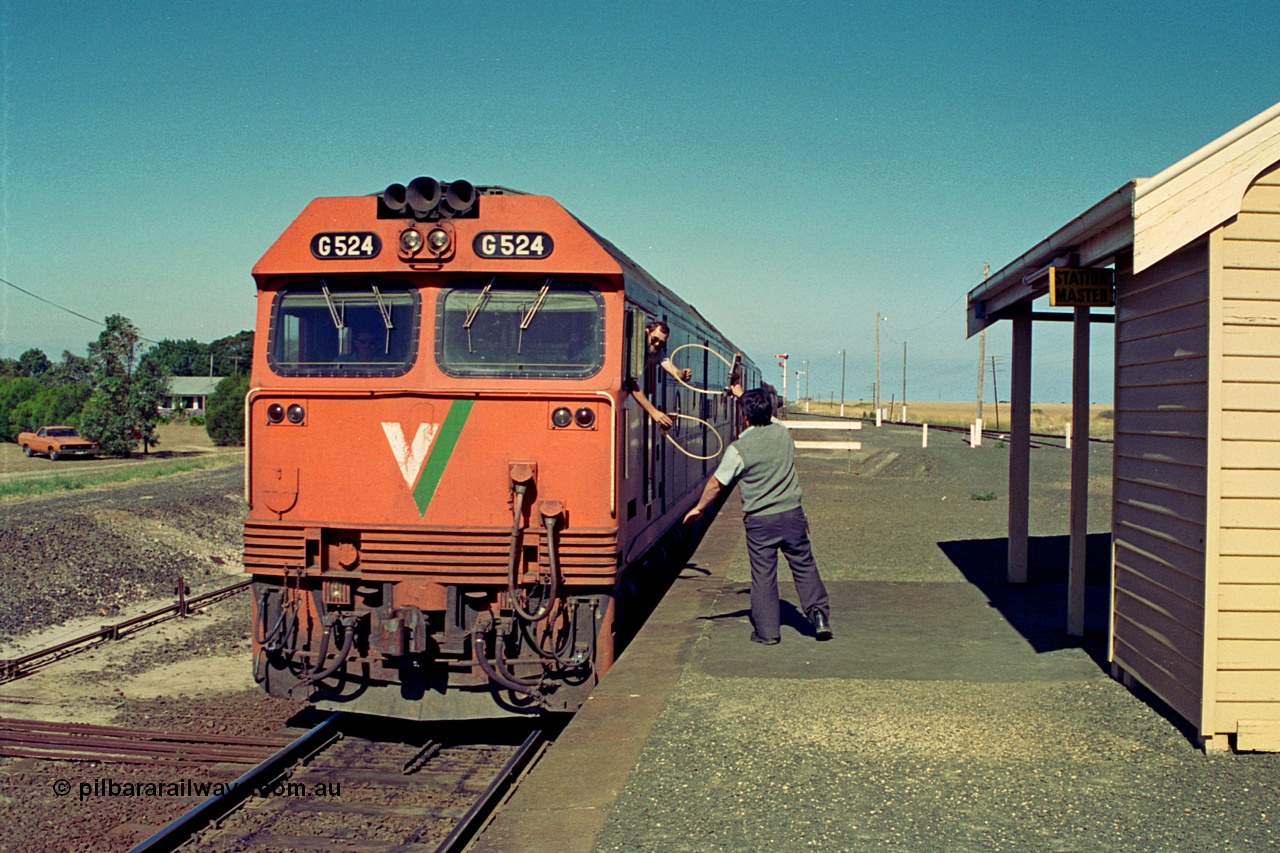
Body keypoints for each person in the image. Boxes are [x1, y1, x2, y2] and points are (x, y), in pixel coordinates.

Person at [683, 387, 832, 644]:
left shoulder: (739, 448)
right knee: (804, 566)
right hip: (793, 515)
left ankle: (768, 633)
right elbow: (770, 418)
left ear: (744, 417)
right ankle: (818, 616)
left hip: (761, 521)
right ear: (770, 411)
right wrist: (744, 395)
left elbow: (717, 483)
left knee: (763, 575)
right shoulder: (783, 434)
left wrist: (699, 508)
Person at [625, 320, 692, 430]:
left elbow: (673, 371)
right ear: (646, 332)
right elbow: (630, 383)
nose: (657, 344)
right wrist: (654, 412)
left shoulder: (656, 351)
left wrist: (683, 374)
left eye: (661, 343)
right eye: (654, 339)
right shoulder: (633, 349)